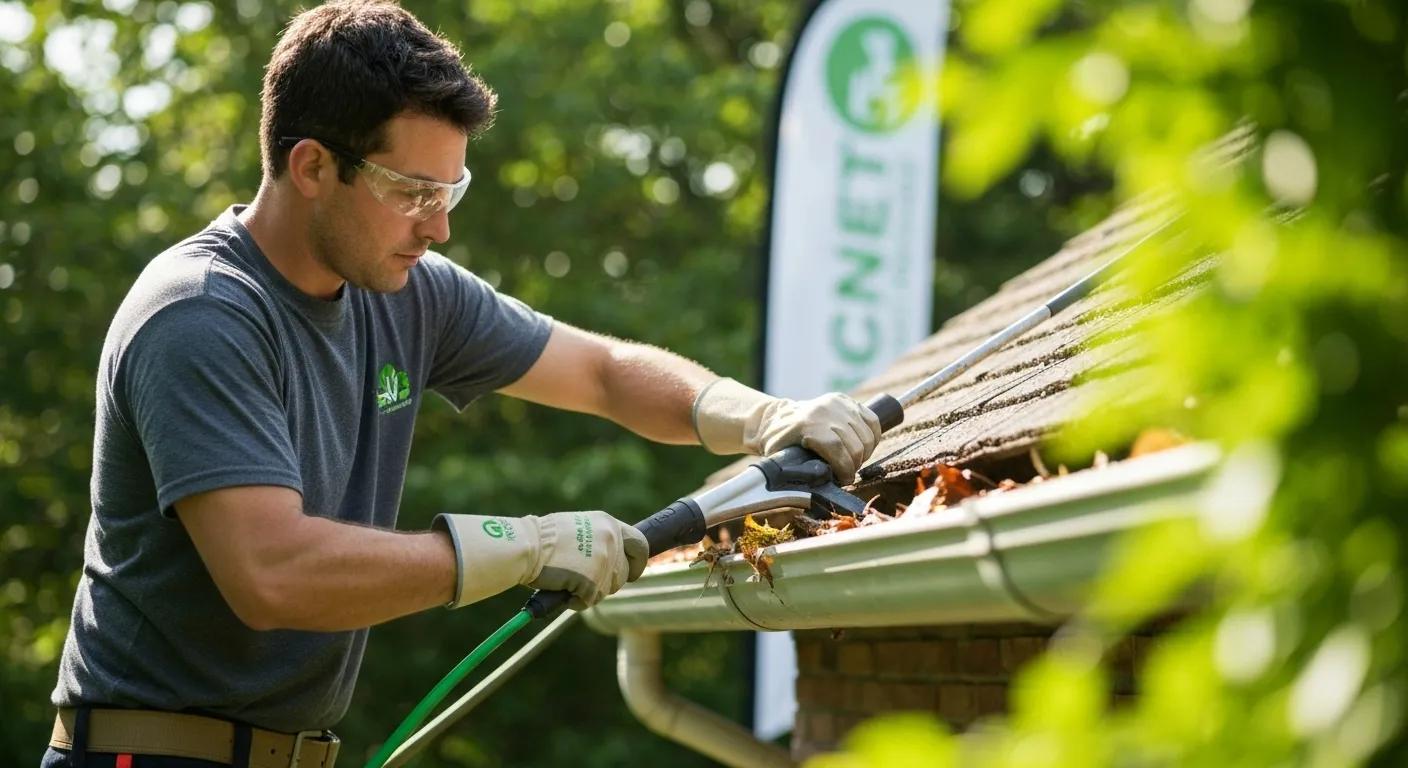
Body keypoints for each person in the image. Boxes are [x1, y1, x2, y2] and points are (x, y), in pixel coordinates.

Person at [43, 2, 883, 766]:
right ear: (309, 167)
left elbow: (601, 372)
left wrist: (764, 416)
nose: (438, 226)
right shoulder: (201, 315)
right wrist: (525, 547)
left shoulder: (410, 292)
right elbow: (273, 574)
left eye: (450, 190)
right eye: (411, 191)